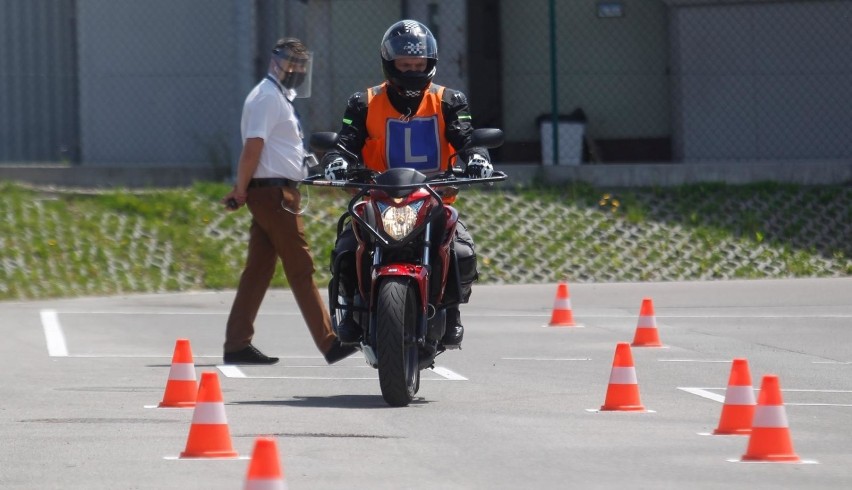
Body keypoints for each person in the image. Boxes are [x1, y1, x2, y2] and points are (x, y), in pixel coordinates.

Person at [321, 20, 493, 348]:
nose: (412, 71)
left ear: (431, 64)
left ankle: (451, 311)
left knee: (462, 252)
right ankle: (354, 309)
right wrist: (336, 162)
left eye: (419, 65)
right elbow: (343, 143)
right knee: (345, 251)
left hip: (433, 198)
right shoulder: (363, 102)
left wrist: (477, 158)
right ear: (390, 64)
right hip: (376, 199)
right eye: (405, 65)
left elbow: (468, 139)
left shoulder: (449, 100)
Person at [221, 38, 356, 365]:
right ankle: (329, 342)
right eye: (292, 63)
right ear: (275, 62)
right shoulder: (267, 98)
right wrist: (240, 190)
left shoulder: (276, 97)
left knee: (258, 270)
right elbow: (253, 149)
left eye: (301, 65)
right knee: (301, 268)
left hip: (274, 192)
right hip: (274, 195)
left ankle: (237, 343)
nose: (296, 70)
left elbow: (281, 150)